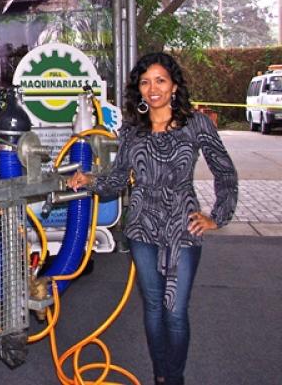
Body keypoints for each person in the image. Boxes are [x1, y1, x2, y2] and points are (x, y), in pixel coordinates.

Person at [67, 52, 238, 385]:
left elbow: (225, 171)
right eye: (145, 82)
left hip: (183, 229)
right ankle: (161, 376)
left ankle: (174, 378)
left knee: (175, 311)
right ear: (139, 90)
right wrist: (89, 180)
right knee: (154, 309)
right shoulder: (133, 130)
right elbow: (117, 181)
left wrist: (218, 216)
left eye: (160, 80)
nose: (152, 88)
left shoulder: (196, 123)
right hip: (142, 228)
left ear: (174, 85)